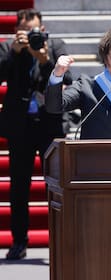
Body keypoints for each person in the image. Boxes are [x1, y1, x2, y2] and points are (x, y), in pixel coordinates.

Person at [0, 8, 71, 260]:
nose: (33, 35)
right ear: (17, 31)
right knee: (20, 188)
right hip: (20, 127)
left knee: (56, 186)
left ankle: (62, 240)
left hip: (50, 125)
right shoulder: (9, 48)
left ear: (43, 28)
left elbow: (69, 79)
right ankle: (19, 241)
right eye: (27, 31)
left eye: (36, 30)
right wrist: (15, 52)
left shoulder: (55, 45)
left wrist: (44, 59)